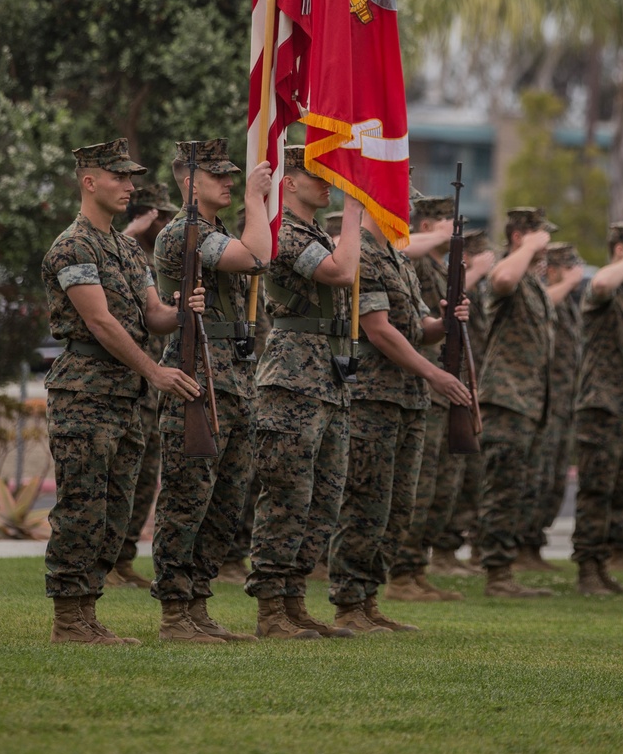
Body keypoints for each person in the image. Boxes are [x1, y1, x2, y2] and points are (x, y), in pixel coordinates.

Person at [41, 140, 203, 646]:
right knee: (82, 507)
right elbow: (100, 322)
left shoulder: (128, 248)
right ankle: (69, 620)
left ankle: (87, 614)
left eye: (131, 178)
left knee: (114, 512)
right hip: (85, 394)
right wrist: (155, 371)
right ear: (90, 181)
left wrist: (184, 311)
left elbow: (151, 317)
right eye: (120, 177)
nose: (130, 187)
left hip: (125, 398)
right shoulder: (73, 246)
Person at [328, 207, 472, 633]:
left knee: (397, 508)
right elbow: (378, 329)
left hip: (406, 399)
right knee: (366, 504)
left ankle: (369, 599)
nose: (405, 210)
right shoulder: (364, 256)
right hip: (373, 397)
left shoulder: (397, 257)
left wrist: (444, 323)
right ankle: (349, 602)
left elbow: (416, 329)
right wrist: (433, 372)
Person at [151, 139, 271, 643]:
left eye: (231, 175)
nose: (228, 182)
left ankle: (198, 606)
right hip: (196, 378)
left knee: (224, 502)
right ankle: (176, 613)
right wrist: (257, 200)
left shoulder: (214, 231)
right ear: (189, 181)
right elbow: (257, 256)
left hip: (233, 380)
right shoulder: (185, 233)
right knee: (187, 498)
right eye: (219, 176)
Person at [245, 147, 362, 638]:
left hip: (326, 379)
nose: (328, 183)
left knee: (324, 499)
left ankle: (293, 602)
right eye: (316, 175)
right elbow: (341, 273)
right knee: (288, 495)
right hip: (292, 379)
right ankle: (271, 609)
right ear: (288, 182)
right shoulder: (284, 231)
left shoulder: (312, 230)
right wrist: (356, 212)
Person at [387, 195, 470, 604]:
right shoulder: (402, 252)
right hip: (398, 383)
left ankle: (414, 568)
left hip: (424, 387)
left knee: (430, 488)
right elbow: (400, 245)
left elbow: (424, 326)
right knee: (410, 490)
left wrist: (448, 319)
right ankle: (399, 573)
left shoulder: (415, 263)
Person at [475, 206, 556, 599]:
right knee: (502, 488)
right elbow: (502, 277)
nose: (549, 242)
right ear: (521, 237)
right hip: (506, 398)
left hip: (527, 400)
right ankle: (496, 575)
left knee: (516, 488)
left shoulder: (533, 282)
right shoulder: (511, 271)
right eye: (543, 235)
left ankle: (503, 569)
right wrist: (527, 246)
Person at [572, 222, 623, 596]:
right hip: (600, 405)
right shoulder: (607, 287)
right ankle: (587, 569)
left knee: (620, 492)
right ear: (621, 250)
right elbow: (601, 283)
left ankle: (602, 563)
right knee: (595, 492)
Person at [104, 181, 179, 589]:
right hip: (120, 381)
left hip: (151, 389)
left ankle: (123, 557)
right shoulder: (118, 248)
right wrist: (134, 230)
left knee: (144, 478)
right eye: (158, 216)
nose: (164, 222)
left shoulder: (152, 261)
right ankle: (104, 561)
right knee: (113, 477)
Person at [429, 229, 495, 576]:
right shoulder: (428, 269)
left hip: (465, 385)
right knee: (433, 483)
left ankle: (443, 552)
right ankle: (425, 560)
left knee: (458, 480)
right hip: (434, 386)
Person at [519, 241, 583, 571]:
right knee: (536, 475)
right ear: (555, 270)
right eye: (569, 268)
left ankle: (534, 544)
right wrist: (569, 282)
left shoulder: (569, 302)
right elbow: (546, 303)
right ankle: (522, 546)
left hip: (562, 400)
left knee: (554, 479)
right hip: (541, 399)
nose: (577, 274)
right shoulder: (543, 295)